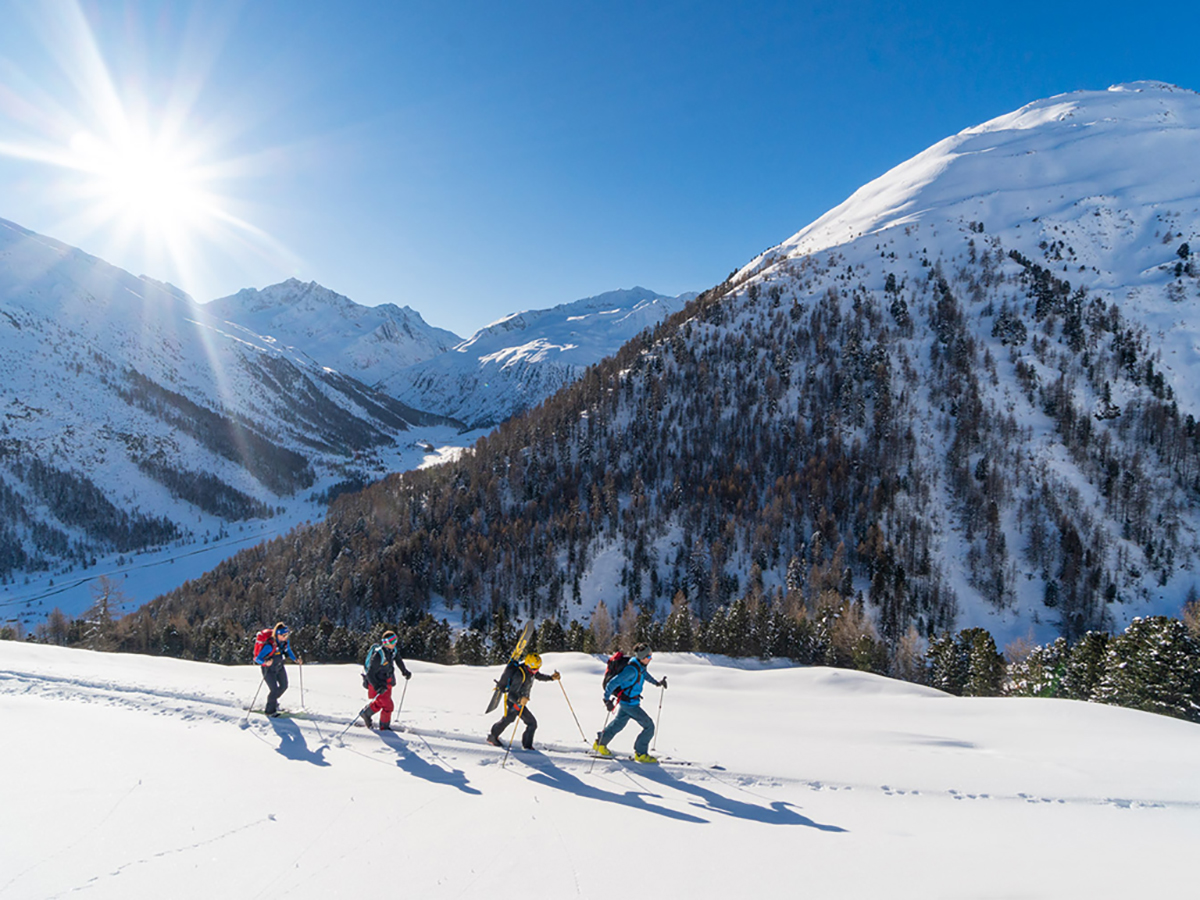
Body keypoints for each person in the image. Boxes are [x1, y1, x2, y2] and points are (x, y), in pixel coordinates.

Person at [593, 642, 666, 763]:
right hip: (630, 705)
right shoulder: (631, 670)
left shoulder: (639, 667)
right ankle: (641, 753)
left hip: (629, 702)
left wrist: (657, 683)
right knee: (649, 726)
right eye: (648, 656)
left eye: (651, 655)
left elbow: (645, 675)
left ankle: (600, 744)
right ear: (642, 657)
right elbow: (613, 683)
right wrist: (606, 699)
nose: (650, 658)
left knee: (618, 724)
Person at [486, 652, 560, 750]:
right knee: (530, 723)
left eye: (537, 668)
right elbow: (511, 694)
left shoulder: (530, 671)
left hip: (520, 702)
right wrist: (519, 700)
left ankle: (494, 736)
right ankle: (526, 746)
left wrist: (551, 678)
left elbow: (538, 676)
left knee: (512, 720)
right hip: (515, 702)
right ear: (528, 665)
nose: (536, 671)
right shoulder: (519, 675)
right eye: (534, 669)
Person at [359, 631, 411, 731]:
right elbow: (370, 674)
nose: (395, 642)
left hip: (387, 681)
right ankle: (384, 728)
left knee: (381, 702)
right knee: (388, 706)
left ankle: (366, 714)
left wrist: (405, 671)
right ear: (386, 642)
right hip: (378, 683)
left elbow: (398, 660)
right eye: (393, 641)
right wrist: (377, 687)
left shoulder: (393, 650)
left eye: (396, 640)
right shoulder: (379, 655)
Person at [253, 622, 301, 716]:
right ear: (277, 634)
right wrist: (265, 662)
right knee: (274, 690)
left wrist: (295, 659)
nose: (286, 637)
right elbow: (257, 659)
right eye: (283, 635)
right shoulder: (269, 646)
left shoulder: (284, 642)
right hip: (268, 670)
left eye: (287, 635)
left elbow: (289, 650)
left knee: (284, 686)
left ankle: (273, 702)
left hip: (279, 667)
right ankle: (269, 711)